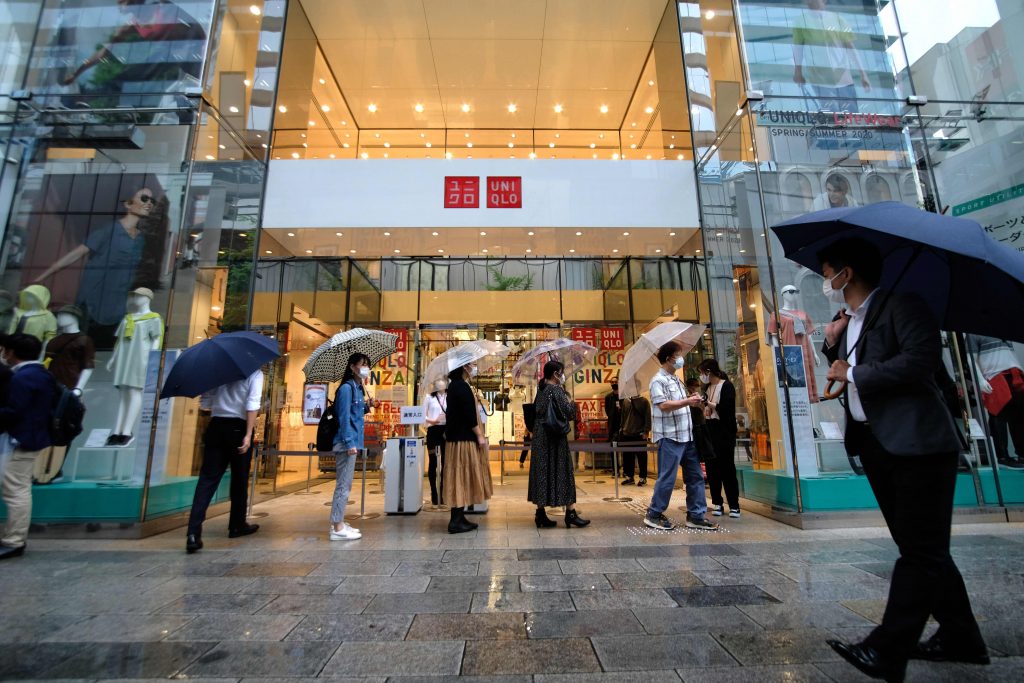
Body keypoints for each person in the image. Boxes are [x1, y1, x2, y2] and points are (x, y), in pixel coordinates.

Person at [818, 237, 988, 681]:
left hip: (918, 444)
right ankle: (961, 635)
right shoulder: (850, 319)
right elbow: (849, 366)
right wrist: (832, 345)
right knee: (921, 547)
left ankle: (888, 649)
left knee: (920, 551)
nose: (824, 280)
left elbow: (919, 361)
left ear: (846, 273)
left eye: (826, 270)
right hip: (877, 444)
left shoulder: (902, 305)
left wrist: (851, 371)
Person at [35, 187, 155, 347]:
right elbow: (76, 253)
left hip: (117, 303)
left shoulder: (140, 239)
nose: (149, 204)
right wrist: (40, 279)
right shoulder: (110, 230)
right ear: (128, 204)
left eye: (152, 201)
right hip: (94, 300)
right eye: (144, 198)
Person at [185, 367, 263, 553]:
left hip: (216, 425)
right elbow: (252, 404)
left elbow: (206, 402)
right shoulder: (254, 373)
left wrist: (223, 401)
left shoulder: (217, 372)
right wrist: (248, 433)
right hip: (238, 427)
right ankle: (237, 524)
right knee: (239, 479)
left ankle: (193, 533)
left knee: (207, 480)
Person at [644, 342, 718, 531]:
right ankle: (654, 514)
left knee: (695, 477)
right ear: (669, 357)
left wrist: (695, 402)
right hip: (669, 437)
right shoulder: (657, 381)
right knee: (667, 478)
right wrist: (687, 401)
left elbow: (680, 404)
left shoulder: (676, 380)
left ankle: (696, 515)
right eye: (678, 355)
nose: (680, 358)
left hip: (687, 436)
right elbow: (663, 405)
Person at [0, 334, 57, 560]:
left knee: (15, 490)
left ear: (11, 352)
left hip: (21, 440)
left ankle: (14, 540)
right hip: (28, 438)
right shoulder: (41, 374)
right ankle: (14, 538)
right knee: (17, 488)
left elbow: (14, 410)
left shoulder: (23, 378)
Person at [529, 361, 590, 529]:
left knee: (543, 472)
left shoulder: (540, 390)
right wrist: (572, 402)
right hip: (554, 438)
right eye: (561, 372)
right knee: (563, 471)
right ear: (556, 374)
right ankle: (570, 513)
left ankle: (540, 513)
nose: (563, 375)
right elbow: (569, 413)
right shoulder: (556, 390)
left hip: (540, 437)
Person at [792, 0, 870, 113]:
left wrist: (863, 74)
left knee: (852, 115)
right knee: (831, 116)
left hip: (843, 76)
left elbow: (850, 47)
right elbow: (798, 48)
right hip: (819, 77)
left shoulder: (837, 19)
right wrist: (798, 72)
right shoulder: (800, 21)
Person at [443, 362, 492, 534]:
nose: (474, 366)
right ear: (464, 367)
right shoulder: (461, 387)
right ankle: (455, 521)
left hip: (457, 438)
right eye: (471, 364)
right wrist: (479, 435)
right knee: (462, 476)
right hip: (463, 440)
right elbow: (469, 415)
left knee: (460, 476)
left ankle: (459, 517)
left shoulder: (456, 386)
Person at [329, 353, 373, 541]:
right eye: (363, 364)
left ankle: (339, 521)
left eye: (367, 365)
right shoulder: (347, 389)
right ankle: (337, 527)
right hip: (347, 442)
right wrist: (349, 443)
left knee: (346, 484)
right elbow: (343, 417)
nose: (366, 368)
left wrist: (366, 405)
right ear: (352, 367)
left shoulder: (357, 388)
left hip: (353, 441)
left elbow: (355, 412)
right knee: (343, 486)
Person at [699, 358, 741, 519]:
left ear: (709, 372)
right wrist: (705, 408)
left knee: (727, 468)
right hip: (710, 430)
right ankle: (717, 502)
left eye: (703, 373)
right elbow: (709, 411)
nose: (702, 376)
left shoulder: (727, 386)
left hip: (724, 432)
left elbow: (726, 409)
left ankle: (734, 505)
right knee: (712, 468)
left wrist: (710, 404)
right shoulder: (707, 388)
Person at [423, 378, 448, 506]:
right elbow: (422, 414)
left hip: (446, 431)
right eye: (437, 380)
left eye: (442, 380)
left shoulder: (449, 397)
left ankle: (443, 492)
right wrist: (431, 421)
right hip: (433, 430)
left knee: (445, 462)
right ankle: (434, 492)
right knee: (433, 462)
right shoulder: (429, 397)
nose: (440, 382)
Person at [618, 394, 651, 486]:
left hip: (639, 433)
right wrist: (621, 427)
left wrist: (646, 431)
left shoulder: (644, 401)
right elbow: (623, 415)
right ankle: (629, 476)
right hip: (626, 432)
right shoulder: (626, 401)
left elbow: (647, 416)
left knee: (641, 456)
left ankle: (643, 477)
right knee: (628, 456)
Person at [604, 379, 621, 447]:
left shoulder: (623, 396)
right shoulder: (608, 397)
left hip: (622, 423)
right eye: (612, 382)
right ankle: (613, 457)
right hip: (612, 424)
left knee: (623, 445)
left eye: (615, 382)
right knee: (612, 445)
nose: (614, 383)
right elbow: (607, 409)